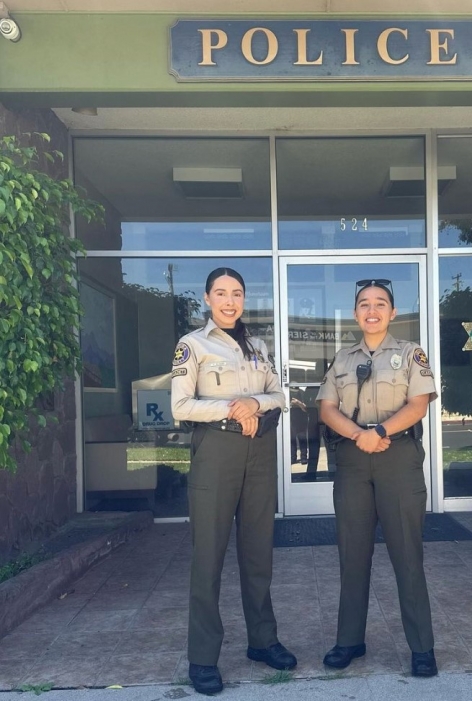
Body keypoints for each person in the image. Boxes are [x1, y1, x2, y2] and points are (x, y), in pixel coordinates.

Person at [171, 267, 296, 696]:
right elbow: (182, 406)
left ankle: (263, 641)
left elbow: (280, 396)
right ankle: (202, 657)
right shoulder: (192, 346)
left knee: (258, 552)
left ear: (244, 299)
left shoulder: (258, 346)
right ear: (207, 298)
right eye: (221, 293)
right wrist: (231, 408)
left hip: (258, 452)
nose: (229, 301)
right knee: (208, 557)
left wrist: (251, 402)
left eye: (237, 293)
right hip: (216, 453)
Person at [317, 278, 438, 678]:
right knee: (352, 553)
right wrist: (359, 436)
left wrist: (380, 433)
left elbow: (418, 405)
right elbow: (327, 409)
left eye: (380, 303)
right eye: (364, 304)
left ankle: (421, 647)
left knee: (407, 553)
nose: (372, 310)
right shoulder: (343, 358)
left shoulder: (410, 354)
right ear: (355, 313)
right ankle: (349, 640)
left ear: (392, 312)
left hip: (397, 457)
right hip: (353, 460)